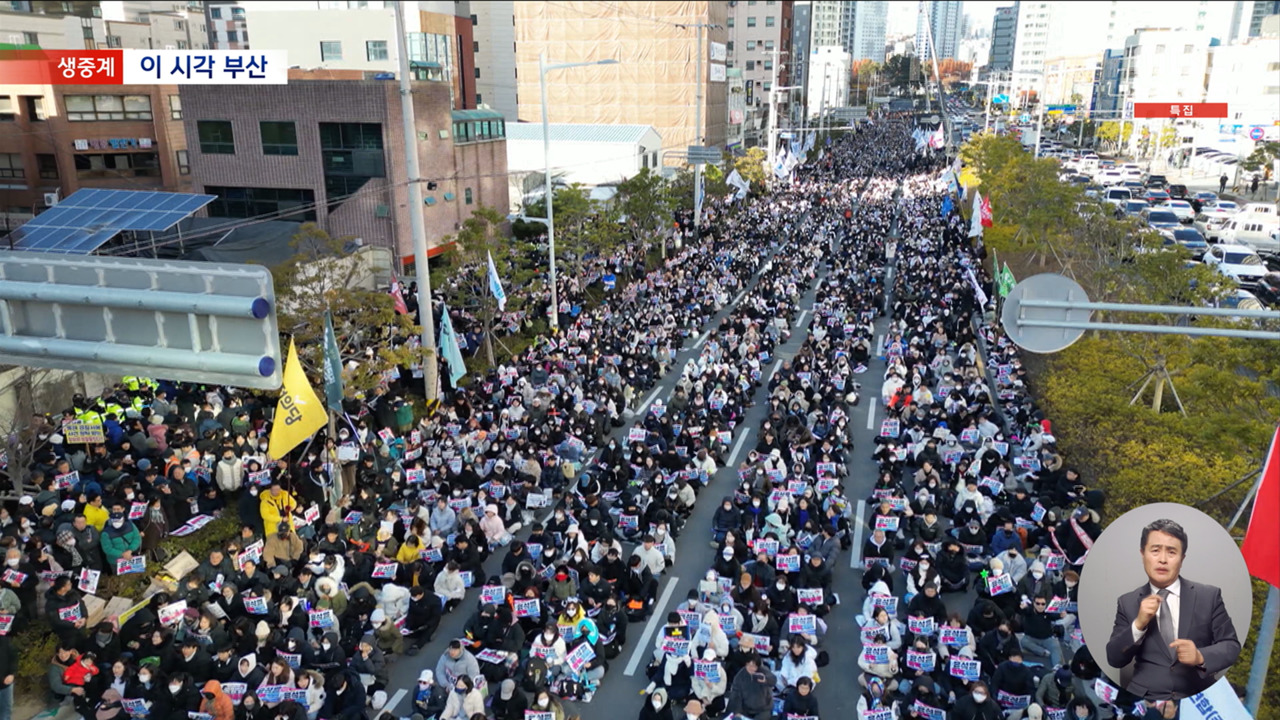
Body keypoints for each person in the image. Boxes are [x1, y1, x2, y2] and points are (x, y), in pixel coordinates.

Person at [1104, 518, 1240, 700]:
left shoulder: (1208, 596)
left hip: (1197, 696)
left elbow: (1231, 646)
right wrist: (1138, 624)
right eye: (1155, 550)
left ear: (1182, 559)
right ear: (1142, 553)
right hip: (1145, 698)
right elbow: (1114, 658)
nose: (1162, 559)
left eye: (1171, 552)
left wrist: (1200, 656)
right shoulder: (1127, 602)